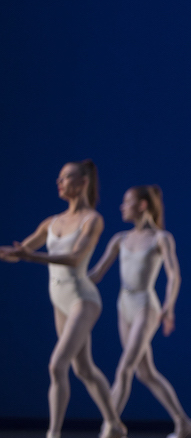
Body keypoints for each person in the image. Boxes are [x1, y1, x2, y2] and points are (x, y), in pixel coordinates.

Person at [0, 160, 128, 438]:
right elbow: (19, 251)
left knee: (56, 365)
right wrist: (12, 253)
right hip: (59, 300)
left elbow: (74, 258)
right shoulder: (51, 222)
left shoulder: (92, 219)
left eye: (66, 177)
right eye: (58, 178)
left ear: (83, 182)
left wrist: (30, 256)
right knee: (83, 369)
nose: (59, 183)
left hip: (83, 298)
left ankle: (53, 434)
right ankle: (114, 423)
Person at [86, 186, 191, 438]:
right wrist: (69, 281)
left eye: (127, 202)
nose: (122, 207)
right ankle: (183, 422)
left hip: (146, 307)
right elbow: (97, 272)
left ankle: (109, 428)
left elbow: (174, 275)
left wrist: (168, 308)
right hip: (123, 306)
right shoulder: (120, 239)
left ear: (143, 205)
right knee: (145, 372)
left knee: (124, 369)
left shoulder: (161, 238)